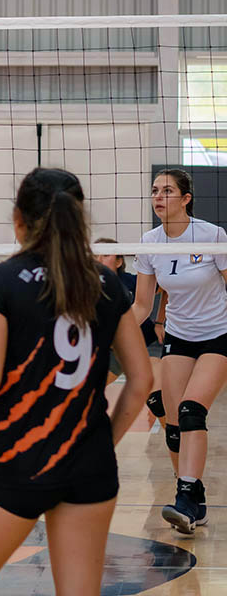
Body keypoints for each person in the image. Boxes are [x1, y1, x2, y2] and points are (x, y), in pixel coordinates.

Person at [0, 168, 150, 596]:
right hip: (89, 465)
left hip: (22, 463)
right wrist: (99, 444)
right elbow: (141, 379)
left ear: (18, 219)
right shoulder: (107, 282)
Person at [129, 168, 227, 534]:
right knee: (172, 426)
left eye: (167, 191)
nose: (158, 197)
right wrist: (110, 331)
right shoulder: (150, 242)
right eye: (154, 191)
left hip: (219, 335)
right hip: (179, 337)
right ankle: (193, 498)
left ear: (185, 198)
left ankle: (185, 497)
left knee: (190, 411)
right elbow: (141, 305)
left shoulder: (212, 235)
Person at [94, 238, 168, 435]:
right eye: (95, 254)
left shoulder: (132, 281)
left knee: (158, 402)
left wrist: (160, 322)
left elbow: (167, 289)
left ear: (119, 261)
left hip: (144, 347)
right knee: (82, 395)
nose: (99, 259)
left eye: (106, 254)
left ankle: (177, 446)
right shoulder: (86, 286)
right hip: (111, 354)